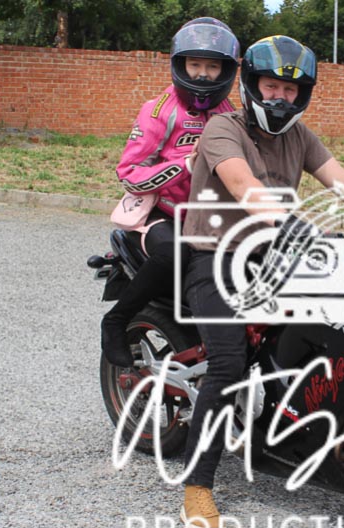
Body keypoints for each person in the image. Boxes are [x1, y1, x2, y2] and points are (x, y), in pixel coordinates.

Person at [178, 35, 344, 528]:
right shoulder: (222, 128)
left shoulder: (300, 137)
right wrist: (297, 227)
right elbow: (244, 187)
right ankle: (198, 486)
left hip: (276, 252)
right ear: (251, 85)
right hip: (215, 255)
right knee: (228, 364)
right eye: (272, 86)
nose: (281, 97)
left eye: (291, 90)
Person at [100, 17, 240, 368]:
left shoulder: (229, 113)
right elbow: (129, 174)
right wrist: (185, 165)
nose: (203, 75)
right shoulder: (159, 111)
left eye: (212, 66)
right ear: (181, 65)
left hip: (209, 218)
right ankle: (115, 321)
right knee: (175, 254)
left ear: (226, 70)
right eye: (195, 65)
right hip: (162, 214)